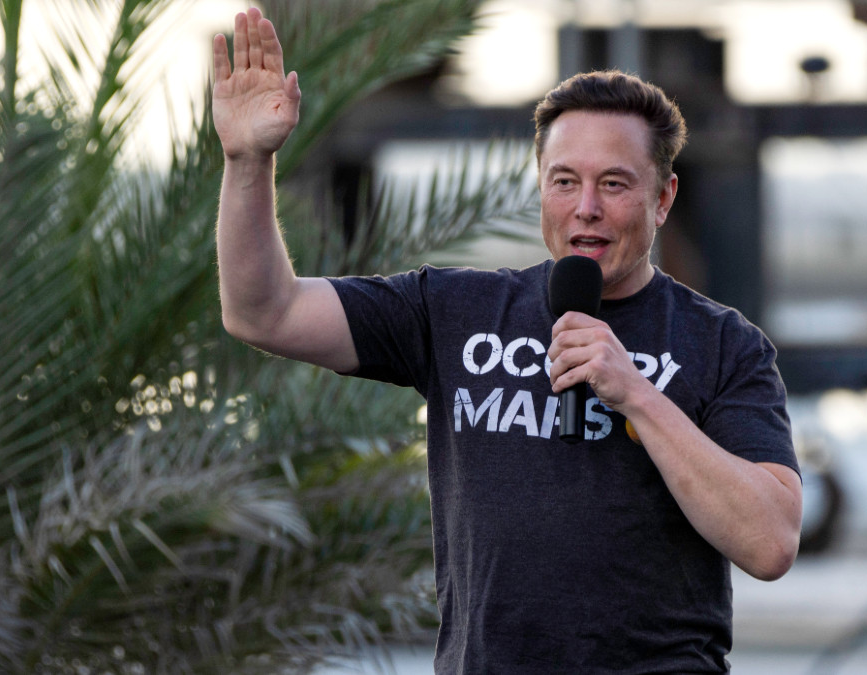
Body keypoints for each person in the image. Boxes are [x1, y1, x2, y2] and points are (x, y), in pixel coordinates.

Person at [212, 8, 802, 673]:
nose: (586, 207)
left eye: (614, 184)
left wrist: (636, 392)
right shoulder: (456, 310)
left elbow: (770, 542)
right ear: (541, 189)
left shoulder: (724, 345)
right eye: (565, 181)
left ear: (662, 199)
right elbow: (262, 312)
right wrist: (246, 161)